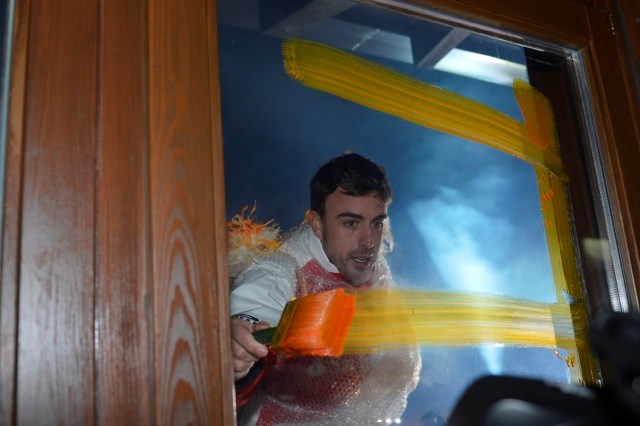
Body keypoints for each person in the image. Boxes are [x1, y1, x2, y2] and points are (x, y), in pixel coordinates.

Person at [230, 153, 421, 425]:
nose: (369, 241)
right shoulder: (285, 267)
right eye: (351, 223)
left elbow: (400, 361)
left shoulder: (373, 268)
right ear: (318, 225)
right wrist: (239, 337)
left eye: (376, 223)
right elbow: (254, 311)